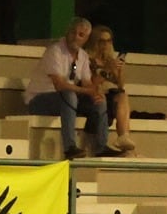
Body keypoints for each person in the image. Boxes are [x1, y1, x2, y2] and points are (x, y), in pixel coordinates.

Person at [23, 17, 115, 159]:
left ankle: (101, 146)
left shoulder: (83, 57)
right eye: (73, 32)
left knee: (100, 100)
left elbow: (86, 83)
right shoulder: (55, 51)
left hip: (66, 100)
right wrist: (87, 91)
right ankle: (69, 147)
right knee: (69, 94)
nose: (75, 37)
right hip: (40, 100)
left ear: (86, 38)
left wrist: (95, 92)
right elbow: (59, 85)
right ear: (68, 32)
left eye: (81, 35)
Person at [85, 25, 137, 155]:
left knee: (122, 95)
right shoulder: (87, 59)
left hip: (110, 95)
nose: (106, 45)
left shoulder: (109, 60)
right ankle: (104, 144)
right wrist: (107, 69)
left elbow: (120, 85)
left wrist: (118, 70)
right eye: (102, 41)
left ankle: (123, 135)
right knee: (115, 97)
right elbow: (92, 82)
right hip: (92, 95)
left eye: (109, 41)